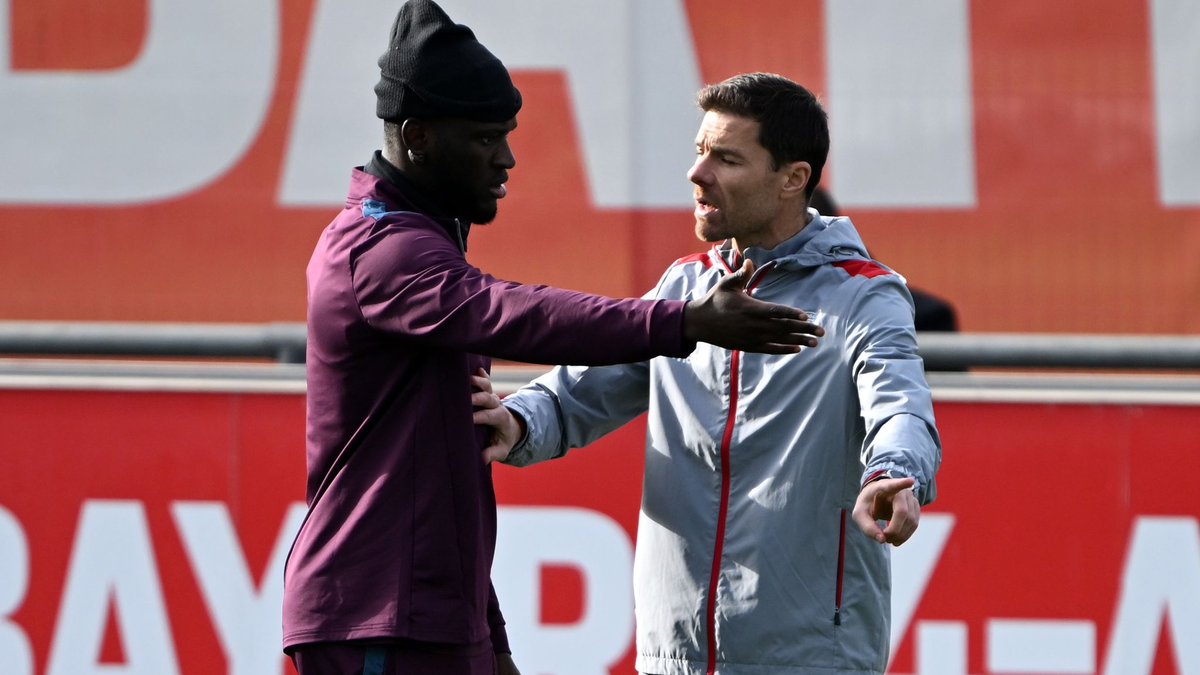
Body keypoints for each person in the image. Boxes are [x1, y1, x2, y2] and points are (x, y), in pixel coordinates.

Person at [281, 3, 824, 674]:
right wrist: (682, 321)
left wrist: (491, 633)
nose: (506, 158)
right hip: (376, 615)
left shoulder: (420, 242)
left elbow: (441, 484)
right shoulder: (379, 249)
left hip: (430, 614)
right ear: (417, 137)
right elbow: (515, 312)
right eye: (485, 138)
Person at [476, 73, 943, 675]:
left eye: (726, 158)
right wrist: (517, 420)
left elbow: (900, 403)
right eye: (700, 152)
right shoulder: (685, 285)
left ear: (793, 180)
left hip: (807, 661)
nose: (698, 175)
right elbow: (581, 391)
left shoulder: (865, 294)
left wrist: (896, 472)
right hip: (673, 657)